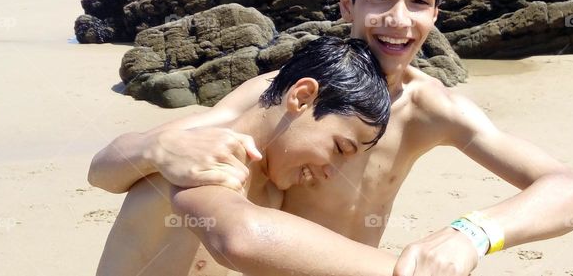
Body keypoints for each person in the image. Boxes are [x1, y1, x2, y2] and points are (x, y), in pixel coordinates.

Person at [90, 0, 573, 276]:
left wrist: (473, 234)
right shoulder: (279, 94)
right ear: (347, 4)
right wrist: (156, 148)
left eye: (418, 2)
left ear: (434, 16)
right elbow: (108, 171)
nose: (398, 20)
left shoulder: (431, 108)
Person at [96, 35, 393, 275]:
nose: (332, 171)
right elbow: (239, 238)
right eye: (340, 148)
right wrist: (155, 149)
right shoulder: (203, 151)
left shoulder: (273, 187)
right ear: (301, 98)